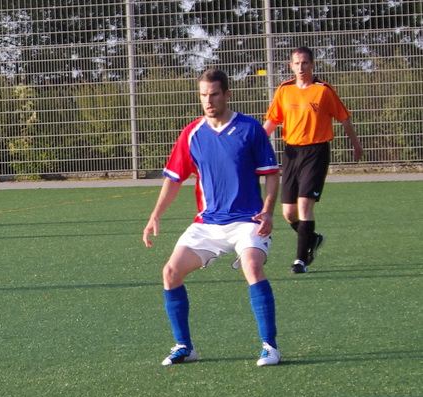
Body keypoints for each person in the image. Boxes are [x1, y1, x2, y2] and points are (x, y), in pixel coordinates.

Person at [143, 69, 281, 367]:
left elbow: (271, 175)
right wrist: (155, 215)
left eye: (214, 94)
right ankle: (184, 346)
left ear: (227, 94)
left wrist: (269, 210)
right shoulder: (192, 134)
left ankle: (270, 347)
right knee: (170, 272)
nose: (208, 100)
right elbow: (174, 179)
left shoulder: (250, 129)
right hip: (208, 224)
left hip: (248, 221)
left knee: (252, 266)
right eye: (203, 95)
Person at [264, 46, 363, 274]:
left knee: (304, 205)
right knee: (289, 213)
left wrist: (356, 144)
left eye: (305, 63)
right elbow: (272, 121)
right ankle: (312, 238)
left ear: (312, 65)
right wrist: (254, 144)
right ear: (291, 66)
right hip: (291, 153)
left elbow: (344, 118)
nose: (301, 67)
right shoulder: (284, 90)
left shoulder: (323, 91)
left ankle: (300, 260)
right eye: (297, 63)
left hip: (316, 152)